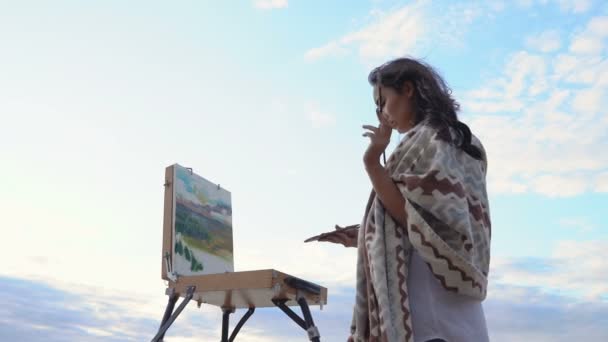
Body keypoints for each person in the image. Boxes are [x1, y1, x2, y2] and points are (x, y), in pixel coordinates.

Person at [306, 57, 491, 342]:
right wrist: (364, 234)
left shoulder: (432, 138)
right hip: (455, 305)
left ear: (407, 89)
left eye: (382, 101)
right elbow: (429, 220)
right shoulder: (456, 139)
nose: (381, 114)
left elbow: (415, 222)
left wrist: (372, 161)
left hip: (429, 308)